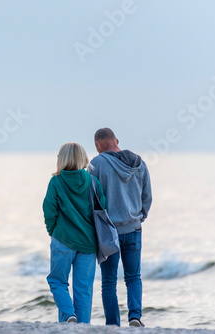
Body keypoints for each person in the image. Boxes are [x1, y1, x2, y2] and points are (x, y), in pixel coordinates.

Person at [88, 128, 152, 327]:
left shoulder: (96, 164)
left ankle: (113, 325)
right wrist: (139, 217)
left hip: (108, 232)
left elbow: (90, 199)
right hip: (134, 229)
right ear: (116, 140)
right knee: (134, 277)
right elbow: (147, 196)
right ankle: (135, 318)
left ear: (98, 144)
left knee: (109, 282)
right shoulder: (139, 163)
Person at [43, 142, 107, 324]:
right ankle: (83, 326)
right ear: (83, 158)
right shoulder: (92, 182)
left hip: (62, 240)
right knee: (84, 289)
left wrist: (53, 231)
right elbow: (104, 209)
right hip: (88, 243)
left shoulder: (56, 182)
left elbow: (49, 210)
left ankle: (69, 315)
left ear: (61, 159)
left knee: (57, 282)